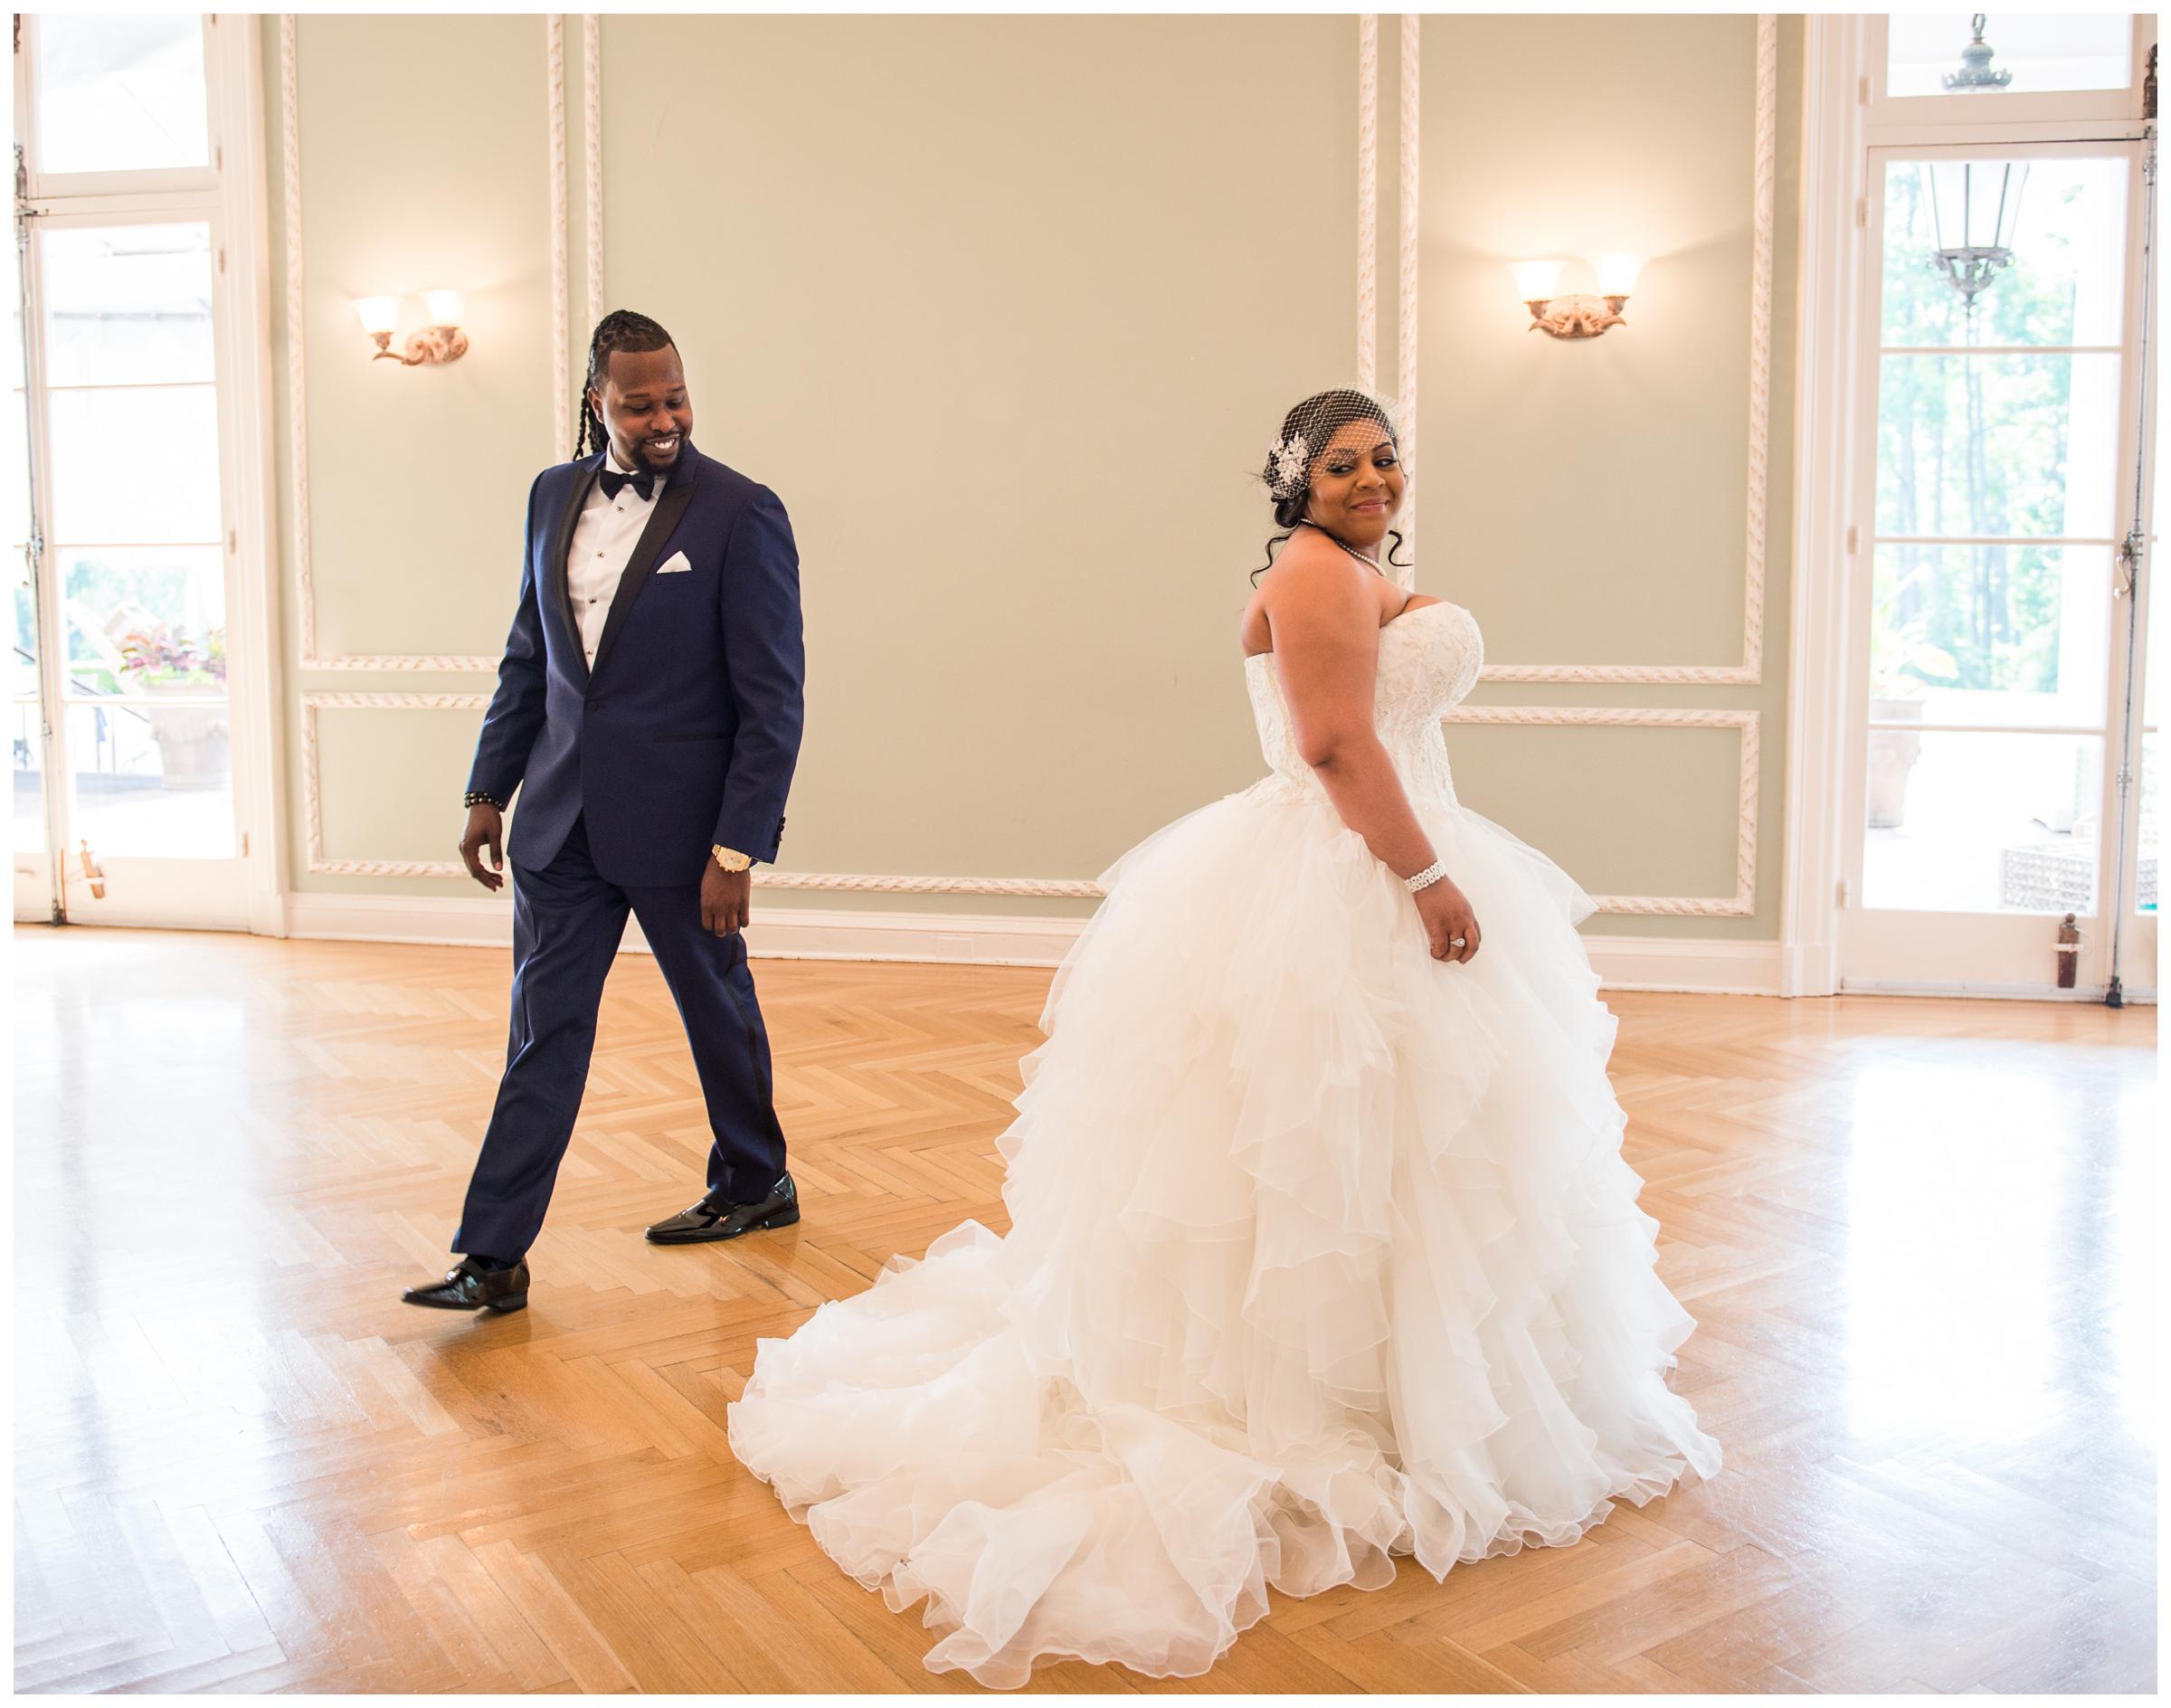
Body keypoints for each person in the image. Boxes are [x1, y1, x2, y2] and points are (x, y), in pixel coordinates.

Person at [726, 389, 1720, 1686]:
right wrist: (1427, 880)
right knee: (1322, 1147)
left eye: (1386, 458)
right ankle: (1321, 1398)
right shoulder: (1314, 573)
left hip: (1380, 850)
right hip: (1350, 871)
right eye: (1344, 464)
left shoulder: (1350, 566)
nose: (1373, 478)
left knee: (1419, 1151)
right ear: (1294, 485)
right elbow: (1334, 744)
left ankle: (1415, 1391)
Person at [402, 310, 807, 1314]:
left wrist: (738, 848)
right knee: (542, 1033)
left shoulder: (741, 512)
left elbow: (774, 699)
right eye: (640, 402)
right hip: (560, 826)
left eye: (675, 396)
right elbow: (528, 656)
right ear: (599, 401)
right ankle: (492, 1256)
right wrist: (488, 789)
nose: (664, 416)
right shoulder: (551, 496)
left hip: (685, 834)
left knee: (717, 1008)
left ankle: (756, 1181)